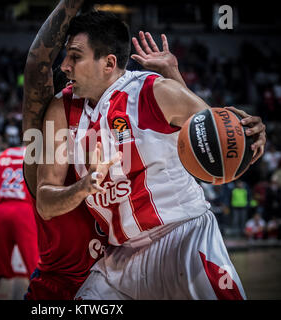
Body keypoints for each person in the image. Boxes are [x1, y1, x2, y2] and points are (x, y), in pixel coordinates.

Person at [36, 11, 267, 300]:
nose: (65, 66)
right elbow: (45, 202)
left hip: (183, 237)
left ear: (108, 63)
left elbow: (216, 134)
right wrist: (85, 186)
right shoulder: (60, 109)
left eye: (75, 56)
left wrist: (251, 133)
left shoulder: (152, 90)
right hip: (120, 258)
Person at [21, 0, 191, 300]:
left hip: (130, 273)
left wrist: (173, 77)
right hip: (62, 287)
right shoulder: (49, 147)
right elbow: (37, 66)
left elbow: (191, 135)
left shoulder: (125, 138)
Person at [0, 145, 38, 300]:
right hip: (25, 210)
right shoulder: (35, 153)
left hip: (1, 211)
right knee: (36, 270)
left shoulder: (0, 155)